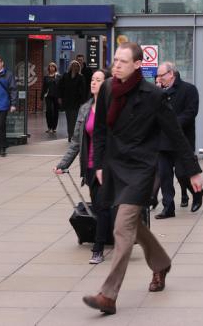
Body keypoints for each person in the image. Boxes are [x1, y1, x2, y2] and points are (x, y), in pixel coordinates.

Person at [82, 42, 203, 315]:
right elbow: (99, 129)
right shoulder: (109, 89)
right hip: (114, 166)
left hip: (140, 168)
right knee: (132, 224)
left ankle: (108, 295)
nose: (117, 65)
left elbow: (175, 133)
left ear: (138, 64)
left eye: (123, 61)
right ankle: (160, 264)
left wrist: (193, 169)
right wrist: (99, 163)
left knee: (122, 227)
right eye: (115, 60)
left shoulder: (153, 95)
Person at [55, 69, 112, 264]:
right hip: (90, 166)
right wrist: (63, 164)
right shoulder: (85, 109)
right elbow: (77, 142)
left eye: (98, 80)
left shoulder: (114, 107)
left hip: (109, 167)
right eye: (92, 80)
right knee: (98, 206)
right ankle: (108, 238)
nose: (93, 83)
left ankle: (98, 247)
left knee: (104, 207)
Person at [154, 62, 203, 219]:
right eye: (157, 76)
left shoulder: (188, 90)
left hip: (182, 140)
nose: (159, 79)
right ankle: (168, 208)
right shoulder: (157, 92)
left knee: (183, 174)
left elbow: (191, 112)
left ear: (171, 74)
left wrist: (172, 124)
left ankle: (197, 193)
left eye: (161, 76)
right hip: (162, 141)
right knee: (165, 176)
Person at [0, 55, 17, 157]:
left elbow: (13, 89)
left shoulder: (9, 75)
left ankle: (3, 147)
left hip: (4, 103)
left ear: (2, 63)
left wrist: (13, 104)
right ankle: (2, 146)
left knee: (1, 124)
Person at [59, 60, 86, 142]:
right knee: (68, 118)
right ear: (70, 67)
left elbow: (83, 90)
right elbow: (61, 87)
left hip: (76, 101)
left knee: (74, 119)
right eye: (73, 66)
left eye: (77, 66)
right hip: (67, 100)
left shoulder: (80, 77)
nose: (75, 67)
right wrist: (60, 97)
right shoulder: (65, 76)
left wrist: (82, 101)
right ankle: (70, 134)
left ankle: (72, 135)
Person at [42, 62, 60, 135]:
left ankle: (54, 127)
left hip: (56, 96)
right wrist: (42, 96)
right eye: (50, 67)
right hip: (48, 96)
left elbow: (60, 86)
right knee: (49, 111)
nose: (51, 68)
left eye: (53, 67)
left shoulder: (58, 76)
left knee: (55, 111)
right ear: (48, 68)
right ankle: (49, 127)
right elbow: (44, 87)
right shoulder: (46, 77)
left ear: (55, 68)